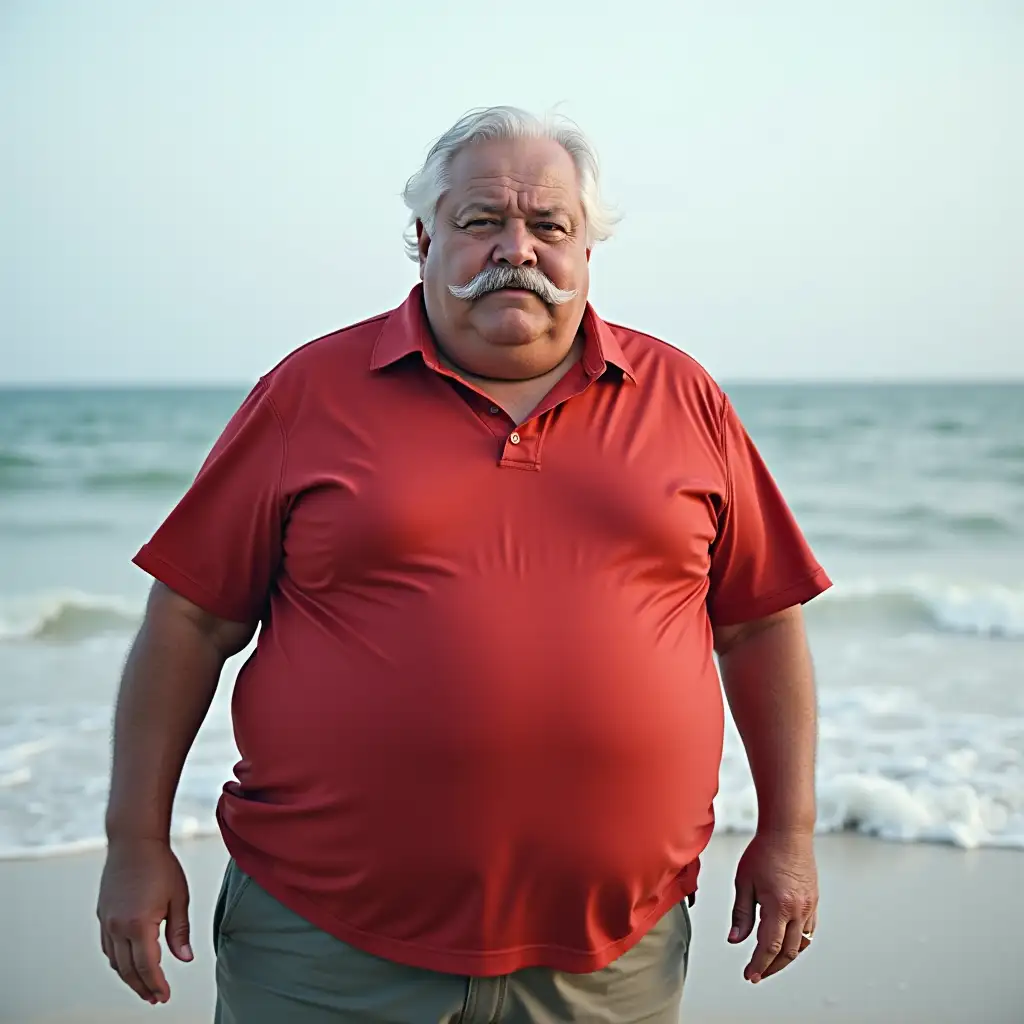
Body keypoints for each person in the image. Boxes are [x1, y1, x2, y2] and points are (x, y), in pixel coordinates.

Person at [96, 105, 831, 1023]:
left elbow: (761, 623)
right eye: (480, 221)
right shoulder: (307, 393)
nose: (514, 248)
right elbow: (191, 620)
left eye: (548, 225)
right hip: (324, 945)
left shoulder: (684, 399)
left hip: (612, 953)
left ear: (587, 249)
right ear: (423, 237)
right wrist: (136, 840)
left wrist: (789, 834)